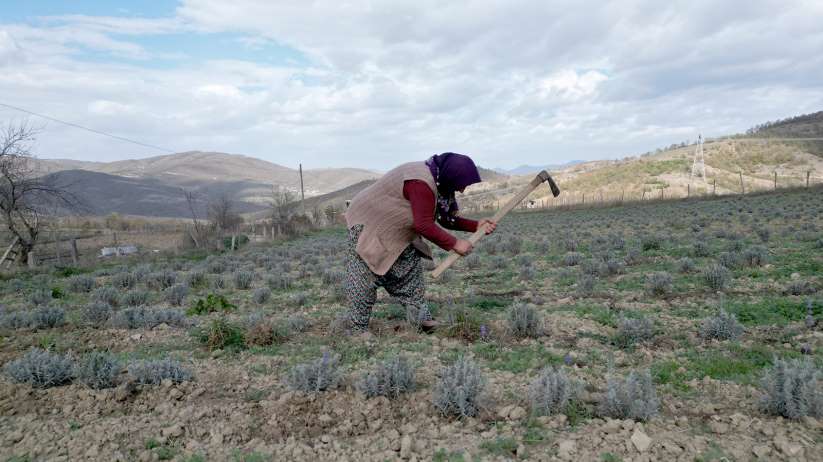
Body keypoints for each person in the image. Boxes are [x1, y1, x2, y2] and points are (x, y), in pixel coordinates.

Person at [343, 152, 497, 334]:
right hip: (370, 224)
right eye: (461, 185)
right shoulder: (420, 183)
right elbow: (423, 224)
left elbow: (445, 218)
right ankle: (357, 330)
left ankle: (421, 319)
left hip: (400, 231)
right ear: (450, 178)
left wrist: (476, 225)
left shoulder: (440, 181)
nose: (462, 190)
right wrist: (455, 243)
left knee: (408, 273)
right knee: (365, 278)